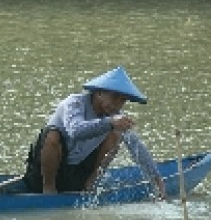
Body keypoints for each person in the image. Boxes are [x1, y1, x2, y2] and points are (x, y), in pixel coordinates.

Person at [22, 66, 165, 197]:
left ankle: (90, 186)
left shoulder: (115, 117)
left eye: (122, 100)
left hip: (77, 174)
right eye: (115, 97)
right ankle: (49, 190)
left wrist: (156, 179)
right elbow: (75, 131)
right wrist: (109, 122)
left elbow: (136, 147)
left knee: (116, 134)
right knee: (52, 135)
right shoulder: (74, 103)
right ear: (99, 93)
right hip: (44, 175)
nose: (118, 104)